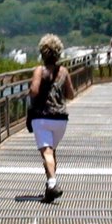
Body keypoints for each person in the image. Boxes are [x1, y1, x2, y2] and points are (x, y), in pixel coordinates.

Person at [29, 34, 75, 203]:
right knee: (51, 152)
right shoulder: (63, 71)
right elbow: (71, 94)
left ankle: (53, 183)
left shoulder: (39, 71)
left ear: (43, 52)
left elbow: (34, 91)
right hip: (61, 120)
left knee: (47, 152)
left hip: (42, 117)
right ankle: (49, 188)